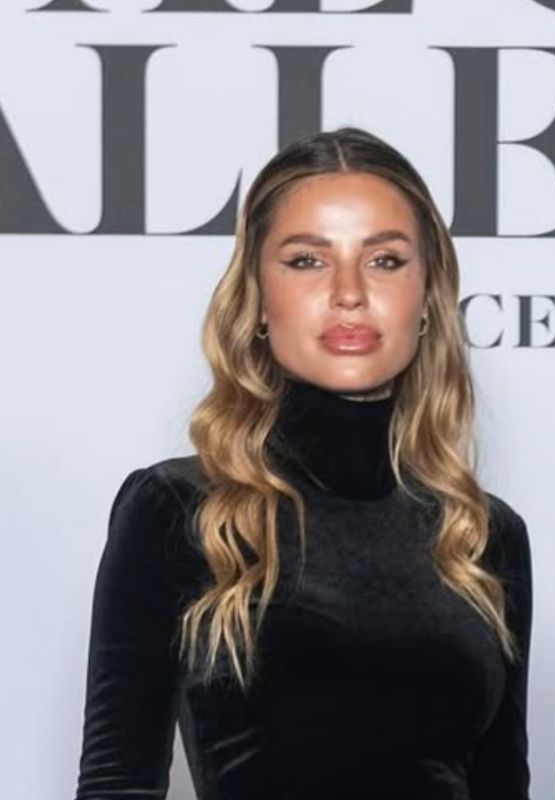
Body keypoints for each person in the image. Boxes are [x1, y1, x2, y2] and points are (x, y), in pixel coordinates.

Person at [75, 128, 531, 800]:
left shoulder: (482, 536)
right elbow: (118, 782)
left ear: (427, 297)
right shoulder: (179, 509)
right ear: (259, 299)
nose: (349, 292)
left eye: (384, 260)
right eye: (307, 260)